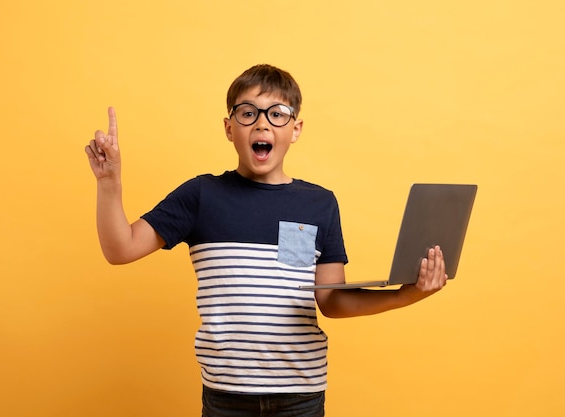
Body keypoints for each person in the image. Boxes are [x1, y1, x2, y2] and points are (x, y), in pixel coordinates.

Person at [84, 64, 447, 417]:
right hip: (226, 396)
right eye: (248, 113)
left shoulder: (319, 203)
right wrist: (109, 182)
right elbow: (120, 249)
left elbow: (332, 301)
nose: (262, 123)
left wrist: (408, 293)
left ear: (296, 128)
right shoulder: (200, 196)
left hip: (300, 395)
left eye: (277, 114)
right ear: (229, 128)